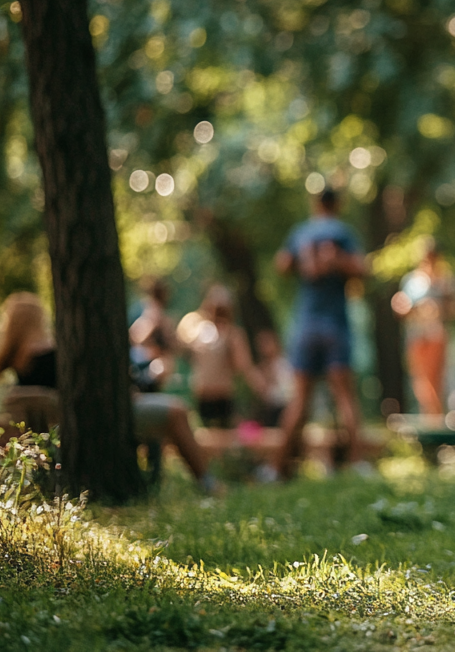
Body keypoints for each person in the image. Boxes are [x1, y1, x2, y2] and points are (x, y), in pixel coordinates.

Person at [0, 293, 218, 491]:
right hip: (101, 419)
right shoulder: (58, 350)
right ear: (38, 319)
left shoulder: (12, 359)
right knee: (176, 411)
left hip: (58, 437)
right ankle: (206, 482)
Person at [265, 187, 370, 480]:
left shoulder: (301, 232)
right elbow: (361, 269)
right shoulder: (342, 232)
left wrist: (303, 263)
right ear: (338, 204)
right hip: (335, 324)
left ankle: (276, 468)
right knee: (345, 396)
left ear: (315, 203)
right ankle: (358, 462)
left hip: (306, 324)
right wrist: (336, 262)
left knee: (299, 400)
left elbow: (282, 264)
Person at [177, 285, 266, 428]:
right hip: (216, 395)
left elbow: (242, 365)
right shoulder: (226, 334)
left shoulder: (202, 332)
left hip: (210, 394)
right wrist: (260, 386)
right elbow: (244, 366)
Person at [393, 237, 455, 416]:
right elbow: (401, 306)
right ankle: (428, 417)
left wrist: (438, 308)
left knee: (436, 379)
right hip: (417, 335)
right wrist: (410, 308)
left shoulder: (445, 280)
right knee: (420, 379)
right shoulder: (412, 281)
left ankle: (436, 418)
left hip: (436, 334)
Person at [128, 277, 179, 392]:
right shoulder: (149, 312)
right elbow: (136, 337)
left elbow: (172, 344)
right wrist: (151, 323)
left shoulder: (162, 315)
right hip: (142, 365)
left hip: (155, 363)